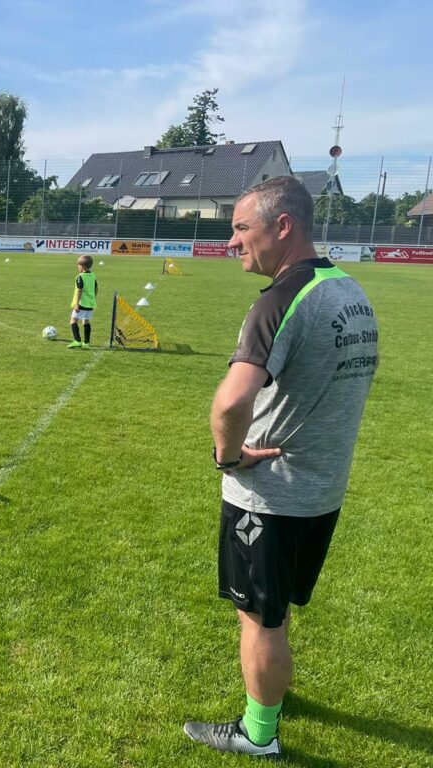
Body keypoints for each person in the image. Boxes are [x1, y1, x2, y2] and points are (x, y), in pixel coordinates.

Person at [184, 176, 379, 760]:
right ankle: (270, 695)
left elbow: (230, 402)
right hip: (323, 488)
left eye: (242, 228)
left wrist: (227, 456)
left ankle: (257, 733)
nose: (233, 241)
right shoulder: (350, 290)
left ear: (283, 227)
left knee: (259, 618)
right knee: (275, 609)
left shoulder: (279, 300)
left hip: (271, 494)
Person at [67, 254, 97, 349]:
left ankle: (77, 341)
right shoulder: (93, 275)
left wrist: (77, 304)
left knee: (73, 321)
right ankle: (86, 343)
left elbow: (79, 290)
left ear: (82, 266)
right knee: (86, 322)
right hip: (90, 304)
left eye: (78, 265)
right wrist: (93, 298)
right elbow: (96, 288)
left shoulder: (80, 277)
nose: (78, 267)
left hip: (81, 304)